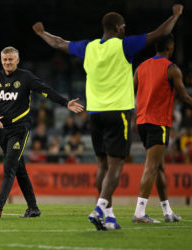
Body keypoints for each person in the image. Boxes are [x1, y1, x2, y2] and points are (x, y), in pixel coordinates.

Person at [33, 4, 183, 230]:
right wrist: (175, 15)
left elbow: (58, 43)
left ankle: (110, 217)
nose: (125, 29)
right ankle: (99, 207)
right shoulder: (125, 45)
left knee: (102, 165)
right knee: (116, 165)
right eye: (123, 26)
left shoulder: (89, 47)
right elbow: (159, 34)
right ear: (117, 27)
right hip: (118, 113)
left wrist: (41, 33)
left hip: (94, 114)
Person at [0, 46, 83, 218]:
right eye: (4, 60)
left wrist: (65, 102)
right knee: (19, 169)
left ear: (17, 60)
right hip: (2, 131)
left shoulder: (25, 77)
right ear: (1, 61)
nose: (7, 62)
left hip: (19, 129)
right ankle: (33, 208)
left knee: (9, 166)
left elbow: (46, 90)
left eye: (10, 59)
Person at [133, 33, 192, 223]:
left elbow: (130, 91)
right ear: (170, 47)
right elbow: (184, 97)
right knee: (152, 166)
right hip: (159, 122)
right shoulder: (172, 69)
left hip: (142, 122)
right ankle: (140, 212)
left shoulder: (141, 67)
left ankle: (167, 211)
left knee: (159, 168)